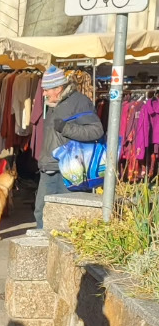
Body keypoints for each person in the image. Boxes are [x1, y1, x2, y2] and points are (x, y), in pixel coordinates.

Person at [32, 65, 104, 227]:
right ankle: (44, 249)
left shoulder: (79, 102)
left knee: (67, 217)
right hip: (49, 167)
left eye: (46, 90)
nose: (43, 93)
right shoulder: (53, 104)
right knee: (41, 212)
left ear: (58, 88)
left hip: (69, 170)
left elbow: (96, 130)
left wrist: (66, 128)